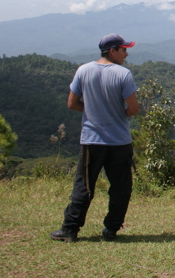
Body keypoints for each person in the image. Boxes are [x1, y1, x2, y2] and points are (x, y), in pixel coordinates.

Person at [50, 34, 139, 242]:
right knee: (120, 187)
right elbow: (133, 109)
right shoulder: (123, 74)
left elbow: (72, 103)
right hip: (119, 141)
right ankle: (111, 229)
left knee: (84, 186)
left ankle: (70, 230)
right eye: (124, 50)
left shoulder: (83, 70)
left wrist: (92, 112)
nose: (126, 54)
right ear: (112, 51)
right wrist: (118, 114)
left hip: (92, 140)